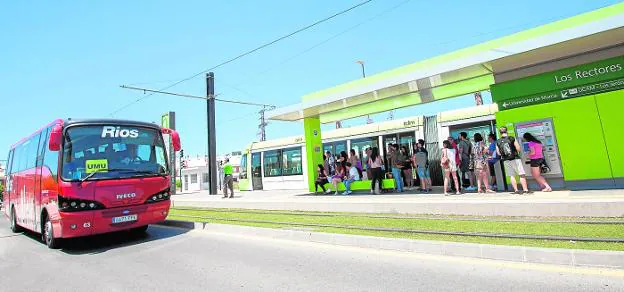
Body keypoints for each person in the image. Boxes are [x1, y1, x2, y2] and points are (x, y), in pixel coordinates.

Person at [496, 127, 530, 194]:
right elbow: (518, 148)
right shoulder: (511, 138)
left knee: (512, 175)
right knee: (521, 174)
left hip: (506, 160)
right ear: (507, 131)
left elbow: (498, 153)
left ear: (500, 133)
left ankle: (516, 190)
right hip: (515, 158)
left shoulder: (498, 141)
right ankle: (525, 190)